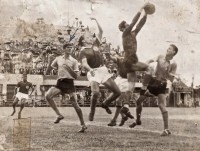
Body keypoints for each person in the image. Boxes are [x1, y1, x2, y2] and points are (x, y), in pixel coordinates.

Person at [129, 44, 178, 136]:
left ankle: (166, 129)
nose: (168, 49)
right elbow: (150, 60)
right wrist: (145, 65)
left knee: (161, 105)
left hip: (161, 84)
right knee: (139, 101)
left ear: (174, 52)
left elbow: (171, 79)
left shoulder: (173, 64)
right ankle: (138, 120)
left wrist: (170, 75)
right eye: (168, 47)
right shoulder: (160, 56)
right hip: (152, 82)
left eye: (170, 49)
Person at [79, 17, 121, 121]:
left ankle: (105, 103)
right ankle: (92, 111)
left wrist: (96, 20)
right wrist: (90, 69)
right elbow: (84, 63)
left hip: (102, 70)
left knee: (117, 92)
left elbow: (101, 31)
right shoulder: (83, 51)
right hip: (93, 72)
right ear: (83, 41)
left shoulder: (95, 44)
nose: (90, 37)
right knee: (96, 93)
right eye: (87, 37)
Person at [45, 43, 87, 133]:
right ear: (64, 49)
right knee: (48, 96)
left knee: (75, 105)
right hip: (60, 82)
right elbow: (52, 67)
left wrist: (68, 68)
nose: (70, 49)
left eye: (71, 48)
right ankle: (59, 115)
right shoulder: (58, 59)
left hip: (69, 83)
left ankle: (83, 125)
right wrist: (52, 65)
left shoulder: (74, 61)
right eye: (68, 47)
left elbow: (76, 76)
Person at [118, 3, 151, 118]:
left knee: (131, 86)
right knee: (149, 68)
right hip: (129, 60)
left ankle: (126, 106)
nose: (128, 25)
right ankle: (144, 90)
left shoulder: (132, 34)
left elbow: (139, 25)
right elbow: (134, 22)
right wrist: (140, 9)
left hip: (129, 61)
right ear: (122, 28)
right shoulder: (125, 33)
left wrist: (145, 14)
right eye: (125, 25)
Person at [106, 52, 133, 126]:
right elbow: (114, 58)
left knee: (118, 100)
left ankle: (115, 120)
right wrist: (109, 56)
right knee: (117, 100)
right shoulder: (121, 60)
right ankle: (123, 116)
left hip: (125, 81)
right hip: (119, 80)